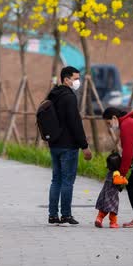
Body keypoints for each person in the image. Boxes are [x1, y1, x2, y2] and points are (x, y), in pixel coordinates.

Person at [46, 66, 92, 225]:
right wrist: (84, 145)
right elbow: (75, 123)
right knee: (67, 181)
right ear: (66, 79)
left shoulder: (53, 95)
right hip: (68, 146)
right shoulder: (69, 97)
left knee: (56, 180)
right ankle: (66, 214)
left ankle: (52, 215)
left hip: (54, 144)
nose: (78, 81)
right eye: (76, 78)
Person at [94, 152, 128, 229]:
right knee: (113, 210)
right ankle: (113, 223)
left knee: (103, 208)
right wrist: (124, 180)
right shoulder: (116, 173)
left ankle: (99, 219)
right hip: (112, 195)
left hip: (105, 193)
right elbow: (116, 181)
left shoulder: (109, 172)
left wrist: (120, 188)